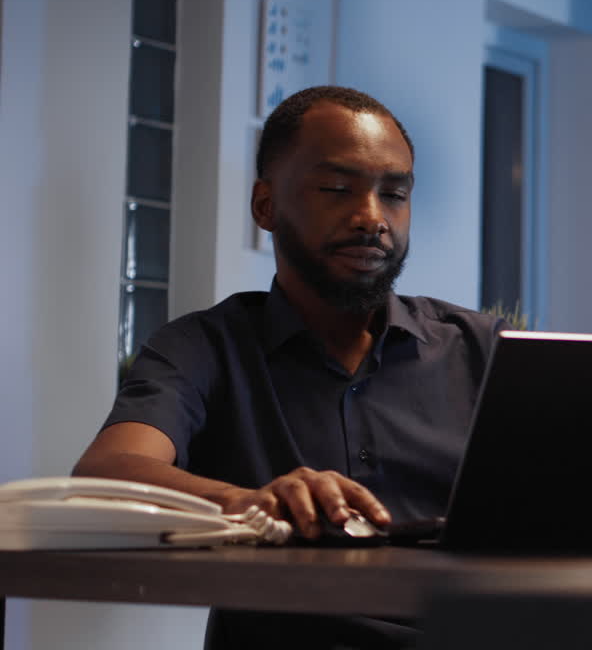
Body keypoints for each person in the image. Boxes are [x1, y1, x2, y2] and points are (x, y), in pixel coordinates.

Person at [73, 85, 505, 649]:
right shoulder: (205, 347)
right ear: (266, 206)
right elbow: (105, 476)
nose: (372, 218)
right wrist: (245, 502)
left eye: (394, 194)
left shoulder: (483, 348)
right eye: (336, 189)